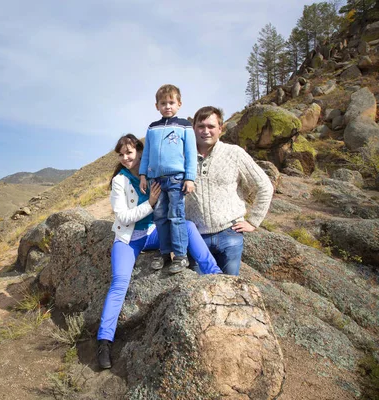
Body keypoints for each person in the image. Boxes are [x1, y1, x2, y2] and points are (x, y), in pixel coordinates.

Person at [97, 134, 221, 370]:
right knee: (119, 282)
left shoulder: (153, 173)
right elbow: (123, 217)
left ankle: (215, 275)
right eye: (121, 154)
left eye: (129, 153)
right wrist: (150, 204)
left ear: (140, 152)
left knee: (188, 227)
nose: (125, 158)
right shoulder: (119, 182)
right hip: (128, 238)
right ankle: (104, 341)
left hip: (154, 233)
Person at [186, 106, 273, 276]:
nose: (206, 131)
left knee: (230, 291)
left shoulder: (235, 154)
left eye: (211, 127)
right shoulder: (182, 157)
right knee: (199, 295)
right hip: (196, 238)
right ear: (194, 128)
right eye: (201, 126)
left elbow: (264, 186)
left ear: (220, 129)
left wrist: (254, 221)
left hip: (229, 234)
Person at [138, 84, 197, 274]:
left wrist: (190, 178)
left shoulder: (185, 126)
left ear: (179, 104)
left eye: (171, 102)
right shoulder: (152, 128)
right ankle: (164, 253)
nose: (167, 106)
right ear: (157, 106)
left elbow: (191, 154)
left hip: (176, 180)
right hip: (156, 180)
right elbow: (146, 153)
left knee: (176, 216)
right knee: (160, 217)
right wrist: (142, 175)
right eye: (163, 103)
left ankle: (180, 256)